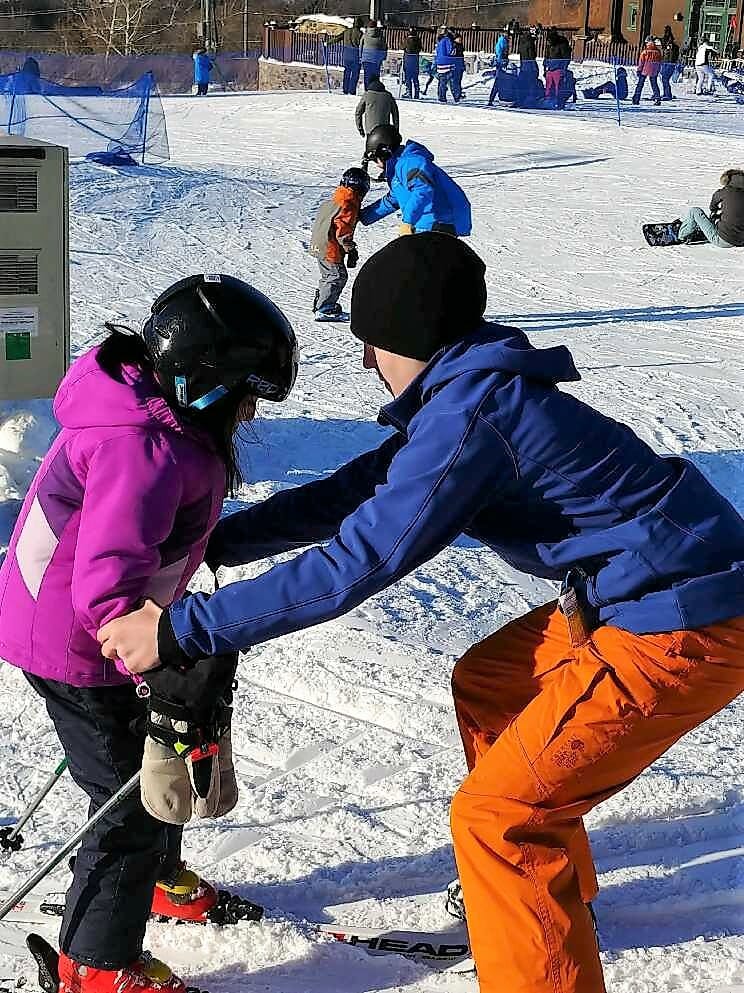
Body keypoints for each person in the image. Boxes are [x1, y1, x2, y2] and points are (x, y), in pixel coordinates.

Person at [97, 233, 744, 993]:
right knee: (491, 681)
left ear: (407, 337)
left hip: (684, 620)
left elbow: (357, 562)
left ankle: (531, 926)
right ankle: (544, 898)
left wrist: (179, 628)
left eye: (372, 343)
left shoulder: (473, 419)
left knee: (498, 816)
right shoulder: (470, 395)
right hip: (642, 590)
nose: (369, 362)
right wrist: (215, 542)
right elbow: (352, 493)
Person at [0, 274, 298, 993]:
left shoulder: (150, 415)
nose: (251, 411)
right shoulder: (147, 450)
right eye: (246, 396)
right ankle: (96, 963)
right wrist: (150, 652)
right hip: (78, 642)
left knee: (153, 751)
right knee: (128, 800)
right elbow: (105, 577)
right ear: (205, 384)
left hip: (79, 624)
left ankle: (154, 879)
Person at [358, 125, 471, 236]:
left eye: (374, 159)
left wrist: (408, 221)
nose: (377, 165)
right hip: (424, 226)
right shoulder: (398, 170)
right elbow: (392, 200)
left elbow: (423, 189)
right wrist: (362, 216)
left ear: (384, 152)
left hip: (436, 225)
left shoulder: (410, 162)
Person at [309, 167, 370, 321]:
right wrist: (350, 248)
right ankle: (325, 308)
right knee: (337, 276)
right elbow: (342, 230)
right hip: (329, 246)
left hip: (319, 243)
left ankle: (321, 303)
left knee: (328, 275)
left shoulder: (336, 199)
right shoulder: (348, 204)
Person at [675, 167, 744, 247]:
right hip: (741, 241)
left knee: (695, 211)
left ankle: (681, 236)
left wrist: (714, 210)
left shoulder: (725, 191)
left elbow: (714, 202)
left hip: (723, 240)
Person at [543, 26, 571, 106]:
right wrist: (545, 67)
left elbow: (566, 58)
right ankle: (548, 101)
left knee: (557, 87)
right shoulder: (550, 45)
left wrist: (564, 69)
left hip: (558, 69)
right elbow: (546, 56)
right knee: (548, 87)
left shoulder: (562, 45)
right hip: (550, 68)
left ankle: (558, 102)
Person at [632, 36, 662, 105]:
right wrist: (657, 70)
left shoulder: (645, 52)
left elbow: (641, 62)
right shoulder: (658, 52)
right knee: (654, 84)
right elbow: (659, 62)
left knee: (640, 84)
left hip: (644, 69)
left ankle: (636, 98)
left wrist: (639, 70)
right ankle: (657, 98)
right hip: (654, 71)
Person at [360, 20, 387, 90]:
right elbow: (384, 47)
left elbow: (361, 46)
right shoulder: (380, 35)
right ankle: (375, 90)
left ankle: (367, 91)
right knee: (376, 75)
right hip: (376, 59)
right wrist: (383, 57)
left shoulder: (365, 35)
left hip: (366, 59)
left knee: (367, 76)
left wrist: (360, 56)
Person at [342, 16, 364, 95]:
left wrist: (327, 43)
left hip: (346, 55)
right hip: (356, 55)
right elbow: (363, 44)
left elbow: (338, 38)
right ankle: (352, 90)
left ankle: (345, 89)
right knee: (355, 74)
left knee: (347, 72)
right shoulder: (360, 34)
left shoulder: (346, 31)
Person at [660, 25, 680, 100]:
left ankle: (668, 94)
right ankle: (667, 93)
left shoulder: (671, 45)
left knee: (665, 79)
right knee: (664, 79)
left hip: (668, 62)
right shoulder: (669, 42)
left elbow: (669, 54)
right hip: (667, 62)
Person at [403, 27, 422, 98]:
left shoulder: (407, 40)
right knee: (415, 78)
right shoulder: (418, 40)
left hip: (408, 60)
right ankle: (416, 93)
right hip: (415, 60)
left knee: (408, 78)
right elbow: (420, 48)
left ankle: (409, 92)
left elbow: (402, 47)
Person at [451, 33, 466, 101]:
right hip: (455, 65)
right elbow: (452, 55)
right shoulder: (454, 45)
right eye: (458, 38)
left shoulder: (460, 46)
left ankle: (458, 93)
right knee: (455, 81)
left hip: (460, 65)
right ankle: (456, 95)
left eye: (460, 38)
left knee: (459, 81)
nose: (460, 39)